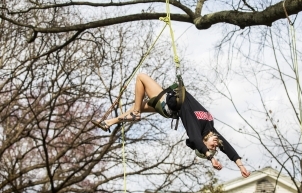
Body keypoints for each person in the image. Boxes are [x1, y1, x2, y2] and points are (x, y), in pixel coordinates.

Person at [92, 73, 250, 177]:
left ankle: (135, 113)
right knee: (137, 107)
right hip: (169, 104)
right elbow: (227, 147)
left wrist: (209, 157)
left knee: (141, 77)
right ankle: (109, 122)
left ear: (203, 143)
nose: (215, 146)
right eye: (215, 148)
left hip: (168, 103)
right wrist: (240, 165)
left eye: (211, 148)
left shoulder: (196, 129)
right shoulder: (210, 128)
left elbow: (194, 139)